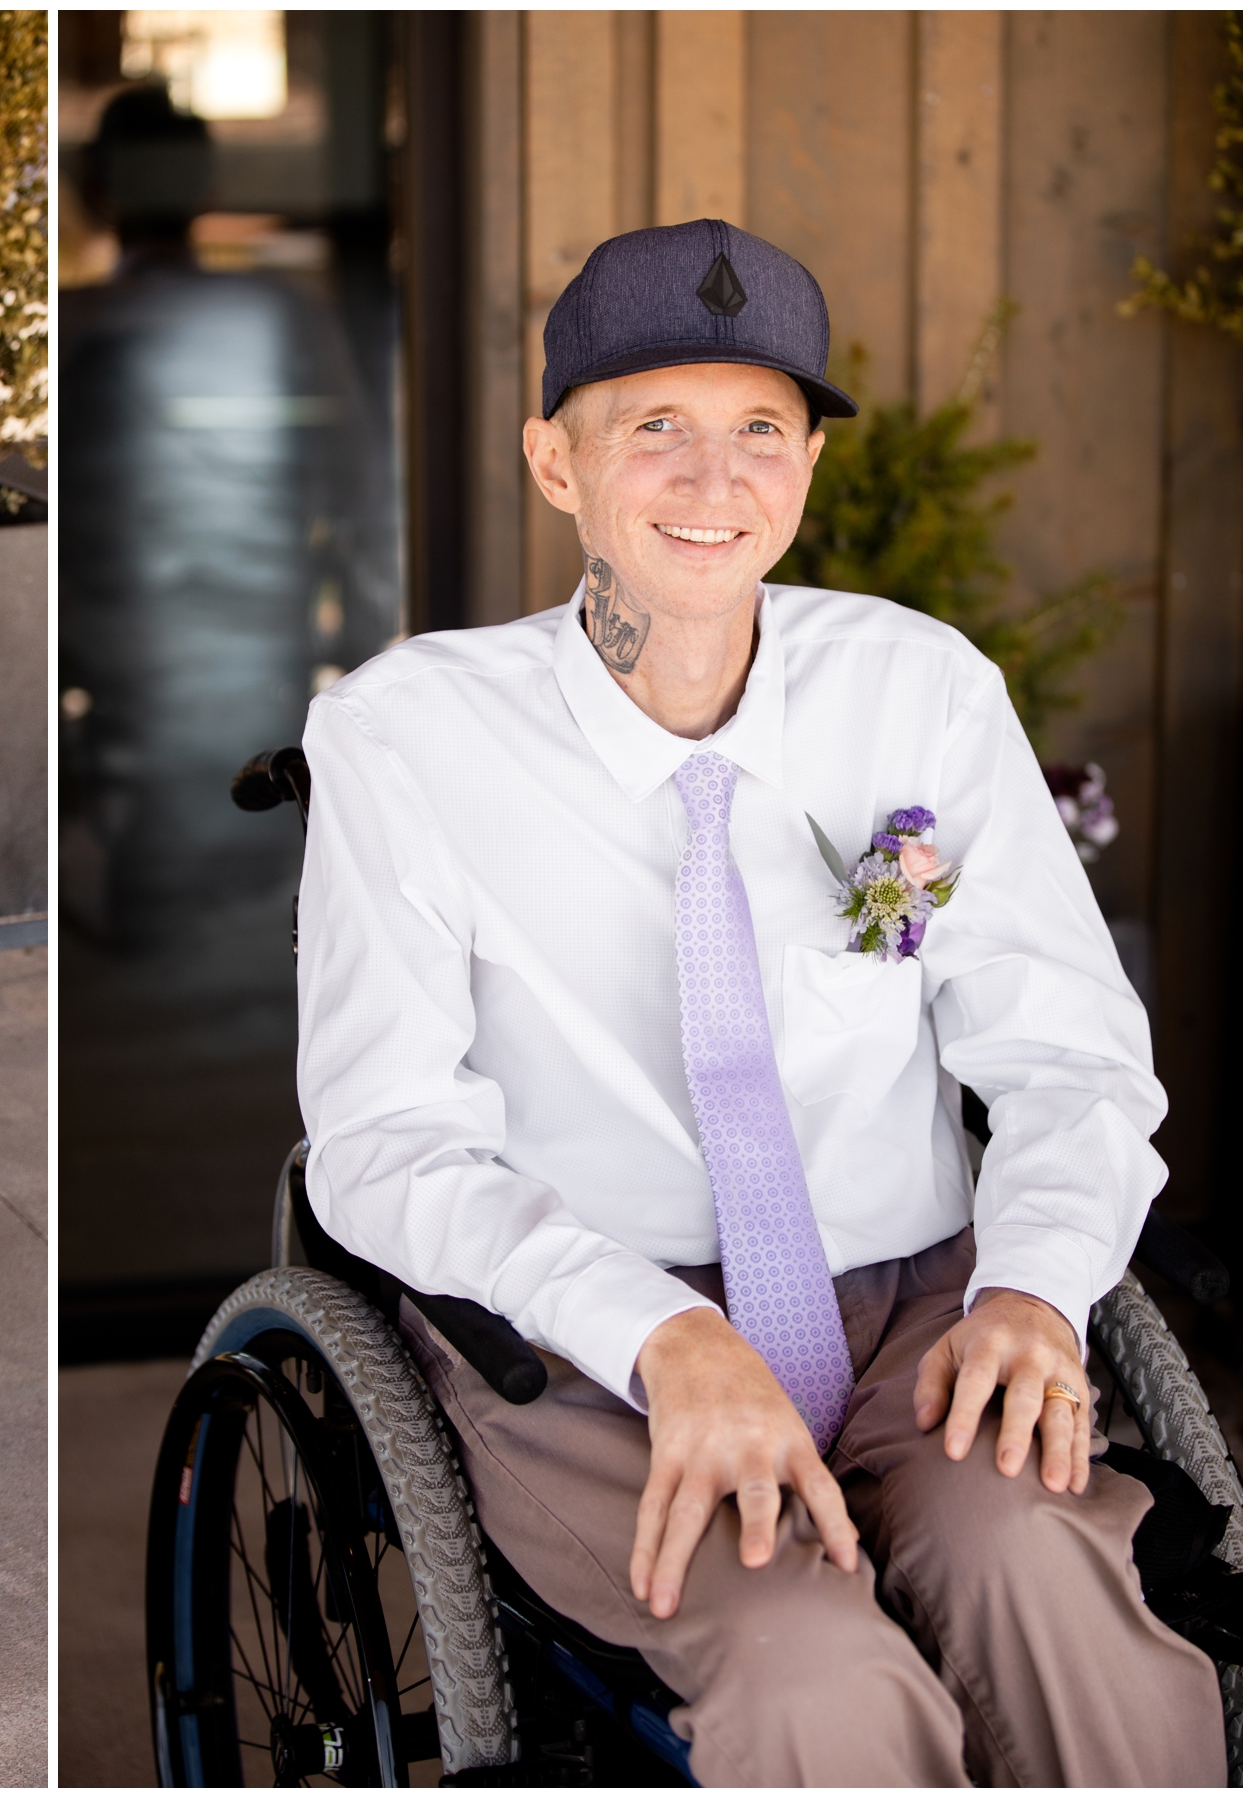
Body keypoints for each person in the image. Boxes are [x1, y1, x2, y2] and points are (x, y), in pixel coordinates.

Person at [296, 217, 1224, 1784]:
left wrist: (1035, 1284)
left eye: (759, 432)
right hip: (589, 1335)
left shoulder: (921, 688)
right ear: (554, 463)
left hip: (917, 1299)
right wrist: (660, 1330)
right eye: (655, 427)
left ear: (803, 470)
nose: (712, 481)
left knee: (1042, 1578)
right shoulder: (408, 736)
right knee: (812, 1674)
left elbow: (1068, 1053)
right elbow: (382, 1140)